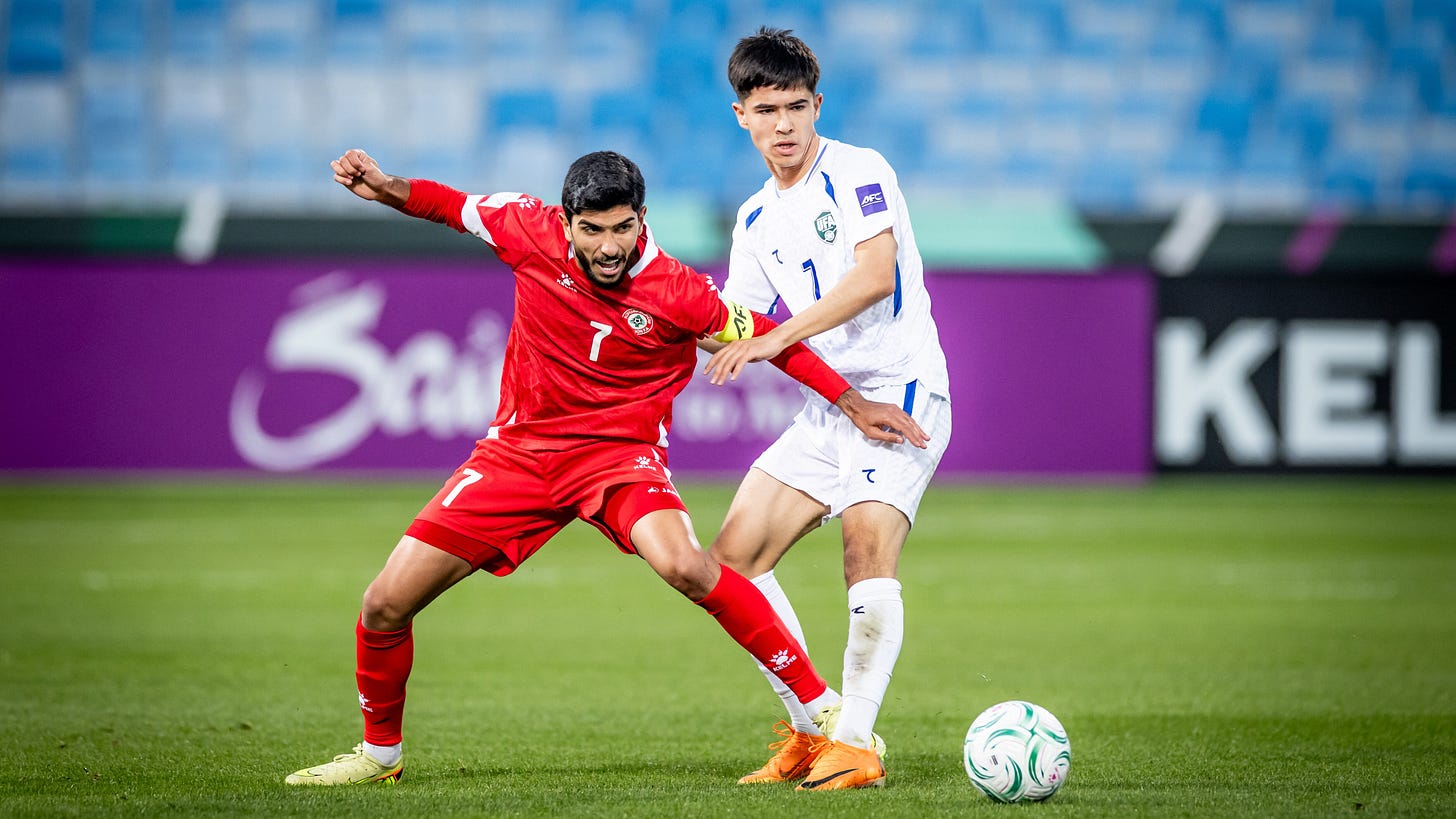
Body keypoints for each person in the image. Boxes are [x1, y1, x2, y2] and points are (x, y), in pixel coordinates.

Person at [284, 147, 929, 786]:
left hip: (620, 458)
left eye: (623, 227)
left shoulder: (680, 291)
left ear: (642, 218)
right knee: (384, 604)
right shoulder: (525, 228)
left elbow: (770, 338)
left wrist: (852, 403)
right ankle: (379, 756)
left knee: (684, 563)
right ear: (566, 222)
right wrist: (385, 186)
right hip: (518, 454)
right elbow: (449, 206)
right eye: (592, 230)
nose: (610, 246)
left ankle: (822, 709)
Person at [700, 28, 953, 791]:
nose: (783, 124)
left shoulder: (858, 170)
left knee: (864, 552)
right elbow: (731, 323)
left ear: (817, 106)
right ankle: (814, 729)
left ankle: (857, 742)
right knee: (734, 559)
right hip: (831, 407)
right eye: (766, 109)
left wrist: (776, 335)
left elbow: (874, 274)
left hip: (898, 391)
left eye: (796, 106)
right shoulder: (754, 219)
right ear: (741, 115)